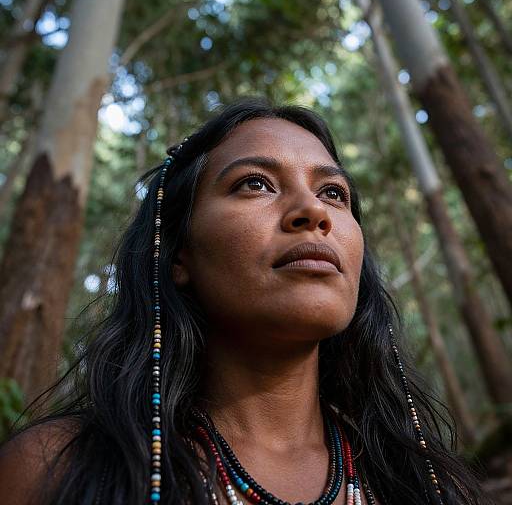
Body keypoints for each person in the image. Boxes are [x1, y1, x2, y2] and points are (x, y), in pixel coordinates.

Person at [0, 98, 490, 505]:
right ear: (179, 252)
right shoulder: (48, 472)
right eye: (255, 183)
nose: (313, 211)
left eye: (334, 193)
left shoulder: (430, 486)